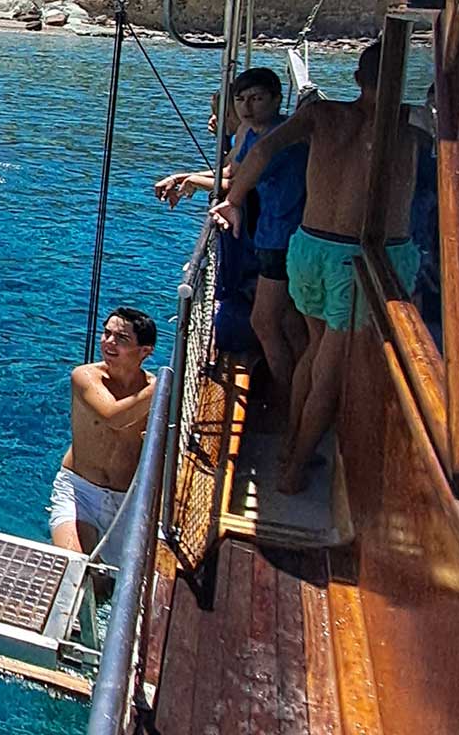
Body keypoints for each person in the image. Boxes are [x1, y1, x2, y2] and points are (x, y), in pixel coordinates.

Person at [212, 42, 417, 494]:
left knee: (314, 346)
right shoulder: (411, 126)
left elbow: (262, 151)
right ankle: (296, 465)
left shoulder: (322, 116)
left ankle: (290, 440)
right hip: (356, 256)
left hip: (308, 247)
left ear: (358, 78)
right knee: (331, 360)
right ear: (400, 80)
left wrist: (234, 199)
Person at [155, 68, 308, 415]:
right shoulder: (251, 134)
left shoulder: (279, 138)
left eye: (256, 98)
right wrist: (184, 176)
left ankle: (287, 404)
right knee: (288, 322)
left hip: (282, 235)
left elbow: (237, 185)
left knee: (267, 323)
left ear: (276, 99)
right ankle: (298, 389)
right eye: (241, 100)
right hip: (271, 234)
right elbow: (231, 173)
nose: (247, 107)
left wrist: (194, 181)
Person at [50, 308, 158, 554]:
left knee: (107, 587)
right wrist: (163, 389)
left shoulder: (153, 392)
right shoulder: (85, 377)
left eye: (121, 338)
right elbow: (113, 417)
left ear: (145, 351)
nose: (109, 342)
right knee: (75, 567)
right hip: (80, 492)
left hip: (127, 502)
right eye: (106, 333)